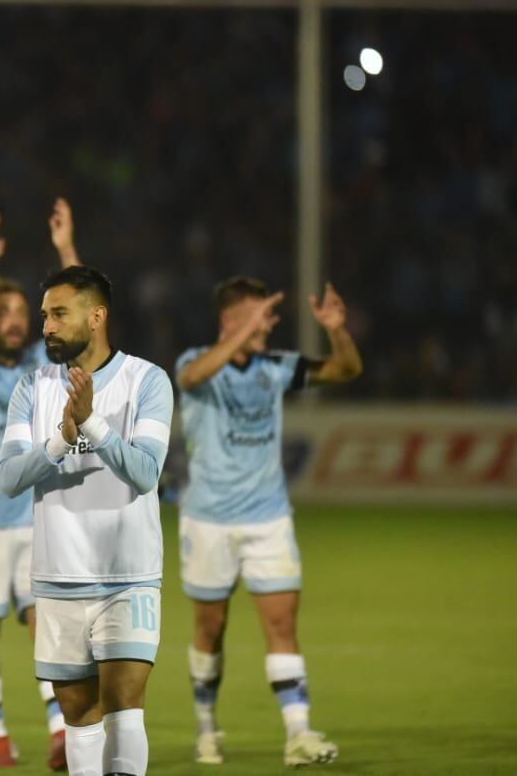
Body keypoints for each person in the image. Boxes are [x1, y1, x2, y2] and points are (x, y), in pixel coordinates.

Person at [175, 277, 362, 767]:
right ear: (229, 322)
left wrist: (338, 331)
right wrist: (243, 334)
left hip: (268, 518)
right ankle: (207, 726)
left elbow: (346, 368)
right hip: (208, 521)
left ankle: (298, 734)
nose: (269, 324)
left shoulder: (274, 368)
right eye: (259, 315)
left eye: (269, 316)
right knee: (210, 629)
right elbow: (193, 378)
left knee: (282, 625)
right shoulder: (196, 361)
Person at [0, 265, 173, 776]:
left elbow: (144, 473)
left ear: (96, 316)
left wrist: (92, 422)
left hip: (128, 574)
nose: (46, 326)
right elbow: (9, 477)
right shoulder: (31, 388)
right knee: (78, 713)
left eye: (59, 314)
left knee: (123, 702)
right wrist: (59, 439)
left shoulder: (147, 381)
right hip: (57, 578)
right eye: (44, 315)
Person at [0, 200, 81, 769]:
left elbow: (85, 323)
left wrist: (67, 253)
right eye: (0, 311)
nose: (15, 319)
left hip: (34, 521)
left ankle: (59, 729)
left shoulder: (43, 367)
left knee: (44, 626)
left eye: (21, 310)